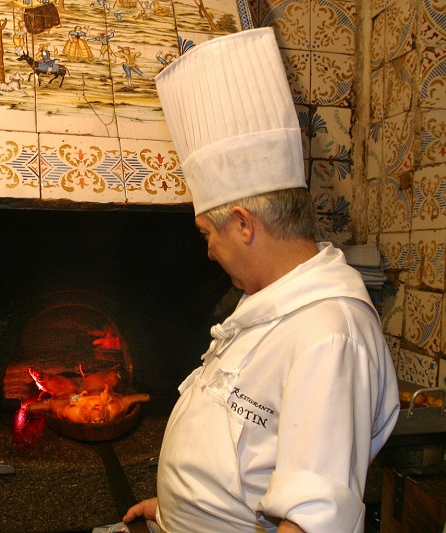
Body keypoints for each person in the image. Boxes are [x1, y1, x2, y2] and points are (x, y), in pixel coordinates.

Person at [122, 28, 400, 532]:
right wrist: (175, 512)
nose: (207, 251)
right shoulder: (271, 309)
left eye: (208, 232)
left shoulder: (328, 334)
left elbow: (312, 524)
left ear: (245, 224)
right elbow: (243, 461)